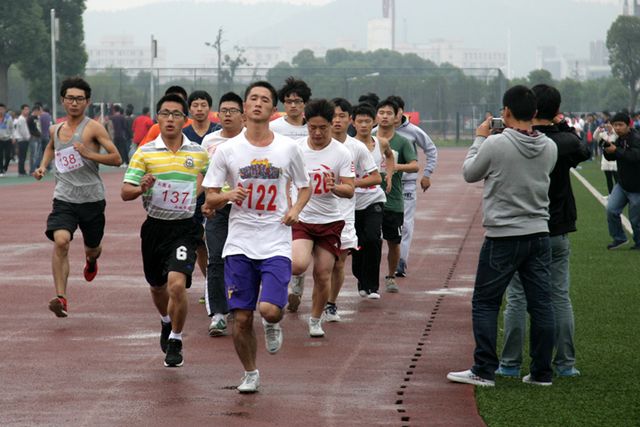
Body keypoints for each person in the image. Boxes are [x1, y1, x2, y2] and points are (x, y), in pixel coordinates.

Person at [202, 81, 310, 393]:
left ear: (272, 110)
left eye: (265, 99)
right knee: (242, 318)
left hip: (275, 237)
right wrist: (228, 194)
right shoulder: (227, 150)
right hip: (239, 241)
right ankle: (250, 372)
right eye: (253, 99)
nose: (258, 103)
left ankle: (274, 322)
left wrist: (296, 210)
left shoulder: (287, 149)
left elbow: (305, 187)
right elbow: (209, 196)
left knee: (268, 310)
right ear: (245, 107)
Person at [447, 85, 558, 387]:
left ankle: (483, 369)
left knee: (486, 302)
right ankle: (541, 373)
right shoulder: (549, 146)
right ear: (535, 113)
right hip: (538, 233)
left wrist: (481, 137)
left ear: (505, 112)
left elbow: (470, 172)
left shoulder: (496, 144)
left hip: (503, 235)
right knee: (541, 305)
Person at [496, 84, 590, 379]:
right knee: (559, 296)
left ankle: (510, 364)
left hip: (521, 226)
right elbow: (583, 150)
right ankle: (565, 364)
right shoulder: (564, 141)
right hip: (557, 226)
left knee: (518, 297)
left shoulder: (512, 140)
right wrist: (564, 125)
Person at [121, 93, 209, 368]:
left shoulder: (198, 153)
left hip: (185, 227)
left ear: (185, 119)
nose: (170, 119)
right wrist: (141, 188)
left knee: (177, 284)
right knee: (158, 287)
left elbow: (212, 181)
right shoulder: (145, 153)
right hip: (155, 228)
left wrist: (207, 193)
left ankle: (176, 338)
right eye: (165, 114)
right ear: (157, 118)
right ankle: (166, 320)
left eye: (176, 114)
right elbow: (125, 192)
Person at [33, 77, 122, 318]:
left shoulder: (93, 128)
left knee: (92, 248)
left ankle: (91, 261)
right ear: (63, 100)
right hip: (64, 198)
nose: (74, 103)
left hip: (91, 198)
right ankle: (61, 297)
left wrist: (89, 153)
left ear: (87, 101)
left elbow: (117, 158)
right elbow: (51, 147)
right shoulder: (55, 129)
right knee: (61, 241)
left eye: (79, 99)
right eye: (70, 98)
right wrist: (43, 166)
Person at [286, 98, 355, 338]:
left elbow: (350, 190)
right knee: (298, 265)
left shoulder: (341, 152)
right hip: (302, 219)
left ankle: (315, 320)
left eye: (322, 128)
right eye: (312, 127)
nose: (317, 132)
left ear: (331, 124)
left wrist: (334, 186)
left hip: (329, 221)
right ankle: (285, 287)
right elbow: (284, 180)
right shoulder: (295, 149)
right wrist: (289, 206)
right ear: (306, 124)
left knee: (323, 273)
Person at [323, 98, 380, 322]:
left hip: (345, 212)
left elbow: (375, 176)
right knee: (311, 264)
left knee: (338, 262)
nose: (337, 120)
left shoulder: (357, 148)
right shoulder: (314, 144)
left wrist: (349, 185)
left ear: (350, 120)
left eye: (342, 116)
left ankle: (330, 304)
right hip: (315, 212)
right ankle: (297, 290)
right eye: (333, 116)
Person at [201, 91, 245, 336]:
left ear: (243, 115)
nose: (227, 115)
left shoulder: (250, 141)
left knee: (243, 260)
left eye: (233, 111)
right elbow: (204, 173)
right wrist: (205, 200)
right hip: (217, 207)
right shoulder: (209, 141)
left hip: (247, 210)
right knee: (216, 258)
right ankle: (218, 313)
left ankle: (243, 305)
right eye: (224, 111)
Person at [387, 95, 438, 277]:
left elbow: (431, 149)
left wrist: (427, 174)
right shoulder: (376, 132)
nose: (389, 116)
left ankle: (401, 261)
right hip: (381, 186)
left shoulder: (414, 131)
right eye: (384, 112)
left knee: (406, 225)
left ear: (401, 112)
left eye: (393, 112)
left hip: (406, 185)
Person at [351, 103, 395, 299]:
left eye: (367, 121)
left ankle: (373, 286)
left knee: (373, 238)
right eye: (359, 121)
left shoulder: (382, 142)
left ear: (374, 122)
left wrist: (390, 175)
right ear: (353, 122)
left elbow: (389, 156)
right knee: (359, 242)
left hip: (374, 198)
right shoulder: (348, 145)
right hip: (353, 202)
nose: (363, 125)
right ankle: (361, 278)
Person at [374, 98, 418, 293]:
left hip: (393, 200)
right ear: (376, 116)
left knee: (393, 241)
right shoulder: (369, 138)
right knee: (370, 241)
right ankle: (369, 279)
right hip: (370, 199)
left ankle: (391, 276)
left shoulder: (403, 142)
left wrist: (395, 166)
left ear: (396, 117)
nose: (384, 116)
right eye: (381, 112)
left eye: (389, 113)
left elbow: (415, 165)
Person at [182, 90, 220, 291]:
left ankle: (219, 282)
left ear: (210, 108)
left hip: (216, 196)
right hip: (191, 196)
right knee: (199, 243)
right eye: (195, 105)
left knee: (215, 241)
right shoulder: (184, 135)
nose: (199, 109)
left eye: (203, 105)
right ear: (189, 109)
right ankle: (209, 284)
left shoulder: (219, 131)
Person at [603, 112, 640, 250]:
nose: (617, 128)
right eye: (615, 125)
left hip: (637, 187)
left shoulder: (636, 138)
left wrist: (616, 151)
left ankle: (639, 242)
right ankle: (619, 238)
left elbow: (635, 156)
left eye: (620, 125)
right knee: (611, 210)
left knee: (636, 220)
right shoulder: (619, 139)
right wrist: (607, 150)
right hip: (622, 184)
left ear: (628, 125)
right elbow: (613, 157)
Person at [594, 122, 619, 195]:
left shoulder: (615, 134)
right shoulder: (603, 134)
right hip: (605, 159)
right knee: (608, 178)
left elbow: (617, 135)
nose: (608, 126)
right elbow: (595, 137)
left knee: (617, 179)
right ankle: (610, 194)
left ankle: (618, 195)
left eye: (609, 124)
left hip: (614, 159)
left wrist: (612, 129)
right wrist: (599, 129)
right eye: (607, 124)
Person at [14, 104, 30, 176]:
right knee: (22, 156)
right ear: (22, 110)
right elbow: (23, 131)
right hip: (22, 140)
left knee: (23, 156)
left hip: (23, 139)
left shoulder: (23, 118)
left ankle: (22, 170)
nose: (27, 111)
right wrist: (28, 137)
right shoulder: (21, 119)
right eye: (25, 109)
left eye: (28, 109)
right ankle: (21, 171)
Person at [0, 103, 14, 176]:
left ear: (5, 110)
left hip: (8, 139)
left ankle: (5, 167)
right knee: (0, 156)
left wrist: (13, 137)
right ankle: (1, 170)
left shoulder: (9, 118)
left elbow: (12, 128)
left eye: (2, 109)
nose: (1, 111)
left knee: (8, 155)